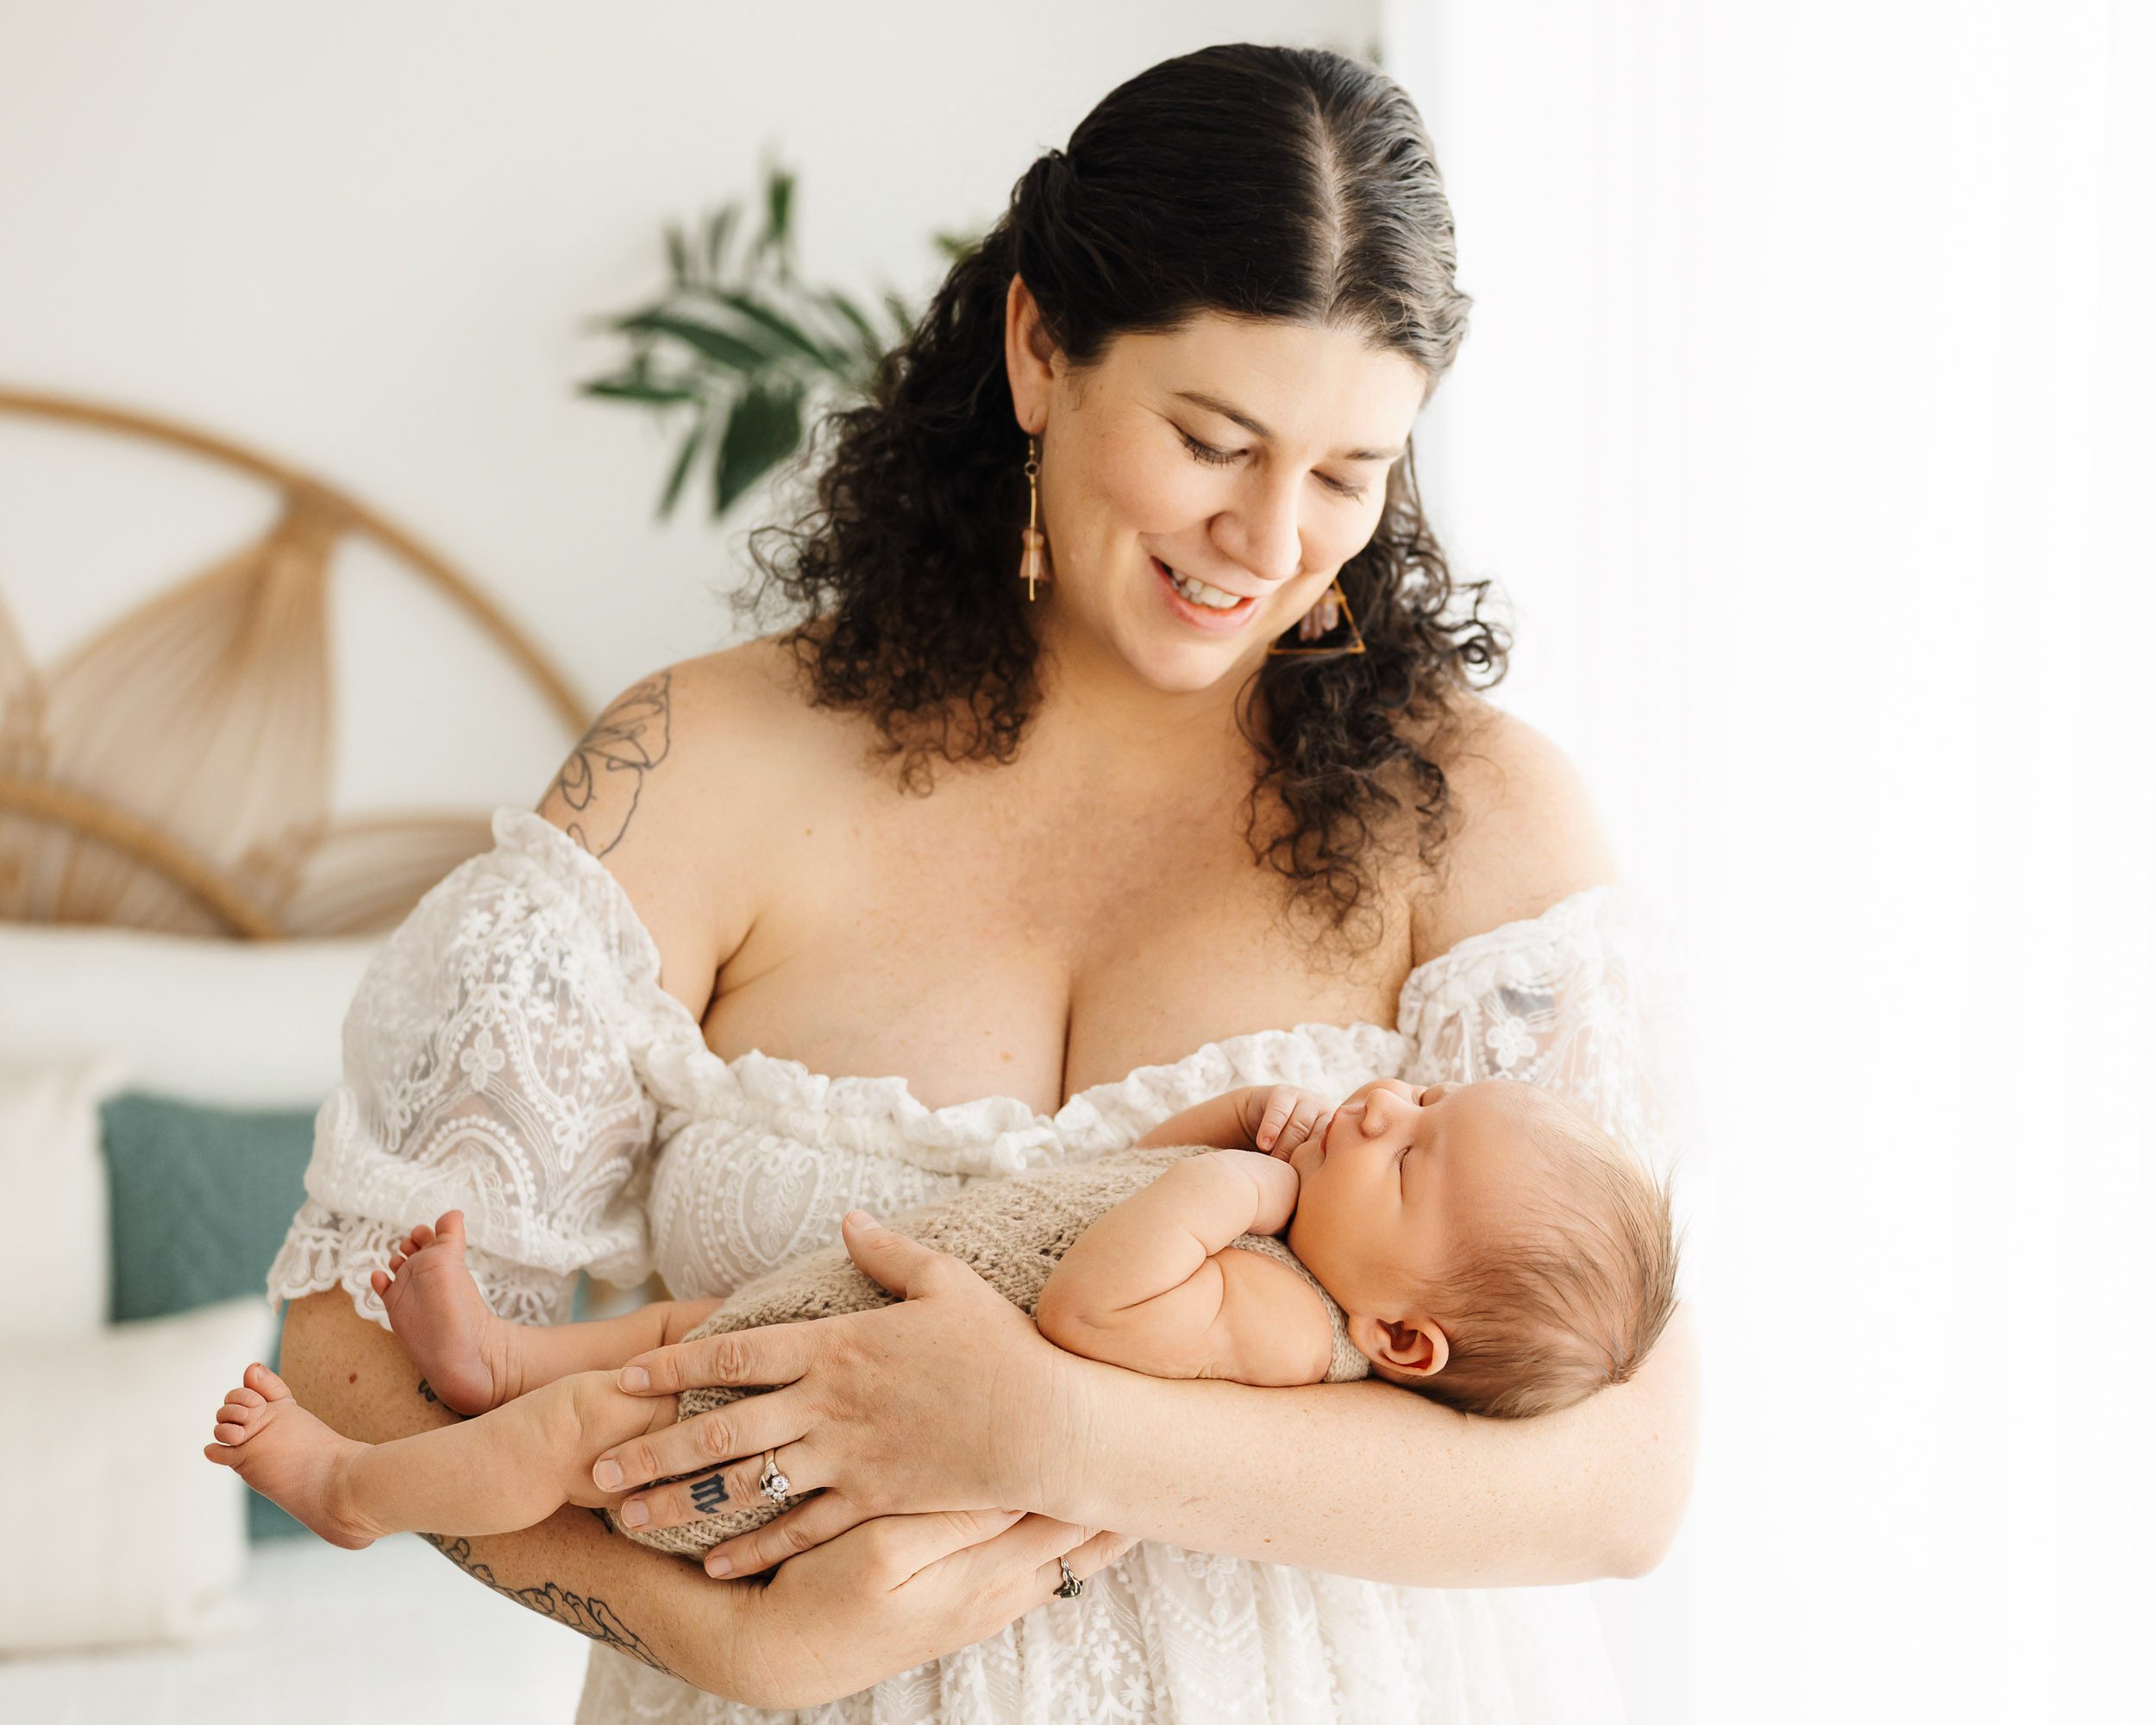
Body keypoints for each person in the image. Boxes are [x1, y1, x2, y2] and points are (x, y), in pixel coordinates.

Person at [267, 41, 1699, 1723]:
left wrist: (1044, 1426)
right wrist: (728, 1637)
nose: (1265, 536)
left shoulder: (1475, 814)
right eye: (1210, 438)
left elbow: (1619, 1476)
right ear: (1037, 349)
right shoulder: (711, 763)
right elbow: (350, 1355)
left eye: (1343, 474)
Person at [215, 1077, 1677, 1560]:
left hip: (794, 1448)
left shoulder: (1288, 1324)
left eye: (1409, 1153)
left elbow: (1100, 1310)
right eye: (1420, 1097)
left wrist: (1235, 1179)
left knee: (606, 1429)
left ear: (1407, 1341)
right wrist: (1225, 1127)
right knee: (687, 1323)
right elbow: (1112, 1179)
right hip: (826, 1325)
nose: (1384, 1103)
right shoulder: (1285, 1229)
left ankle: (358, 1490)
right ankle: (498, 1359)